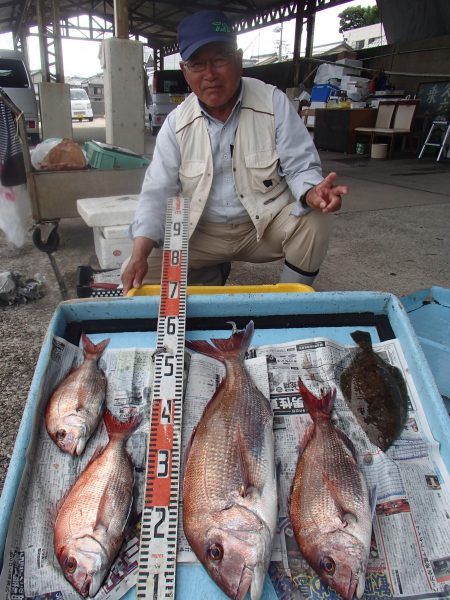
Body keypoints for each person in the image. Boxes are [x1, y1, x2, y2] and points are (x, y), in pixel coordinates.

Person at [121, 9, 348, 294]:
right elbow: (157, 191)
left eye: (219, 59)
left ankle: (288, 304)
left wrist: (314, 192)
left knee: (315, 219)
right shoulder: (176, 123)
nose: (210, 74)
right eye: (198, 64)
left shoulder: (273, 102)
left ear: (238, 60)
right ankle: (210, 270)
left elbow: (300, 166)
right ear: (185, 71)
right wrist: (139, 253)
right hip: (201, 234)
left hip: (262, 229)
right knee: (134, 272)